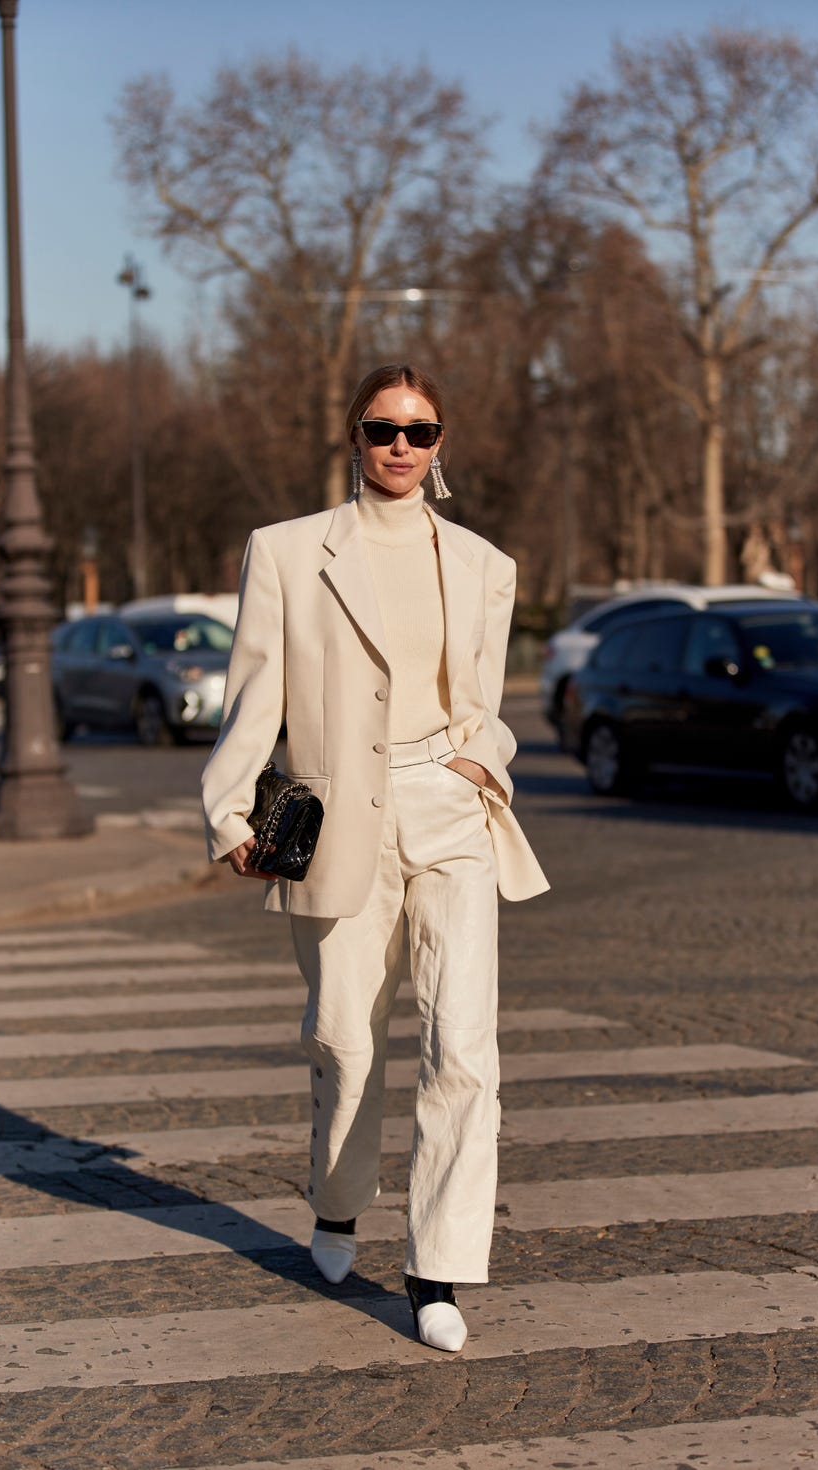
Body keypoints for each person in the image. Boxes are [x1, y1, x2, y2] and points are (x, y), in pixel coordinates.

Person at [202, 363, 548, 1353]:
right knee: (346, 1043)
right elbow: (253, 696)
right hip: (339, 820)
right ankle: (337, 1204)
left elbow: (483, 702)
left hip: (450, 812)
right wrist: (229, 811)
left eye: (421, 430)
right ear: (352, 437)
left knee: (462, 1049)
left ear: (442, 443)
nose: (401, 446)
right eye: (383, 429)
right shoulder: (285, 552)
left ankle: (437, 1270)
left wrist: (485, 763)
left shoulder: (483, 564)